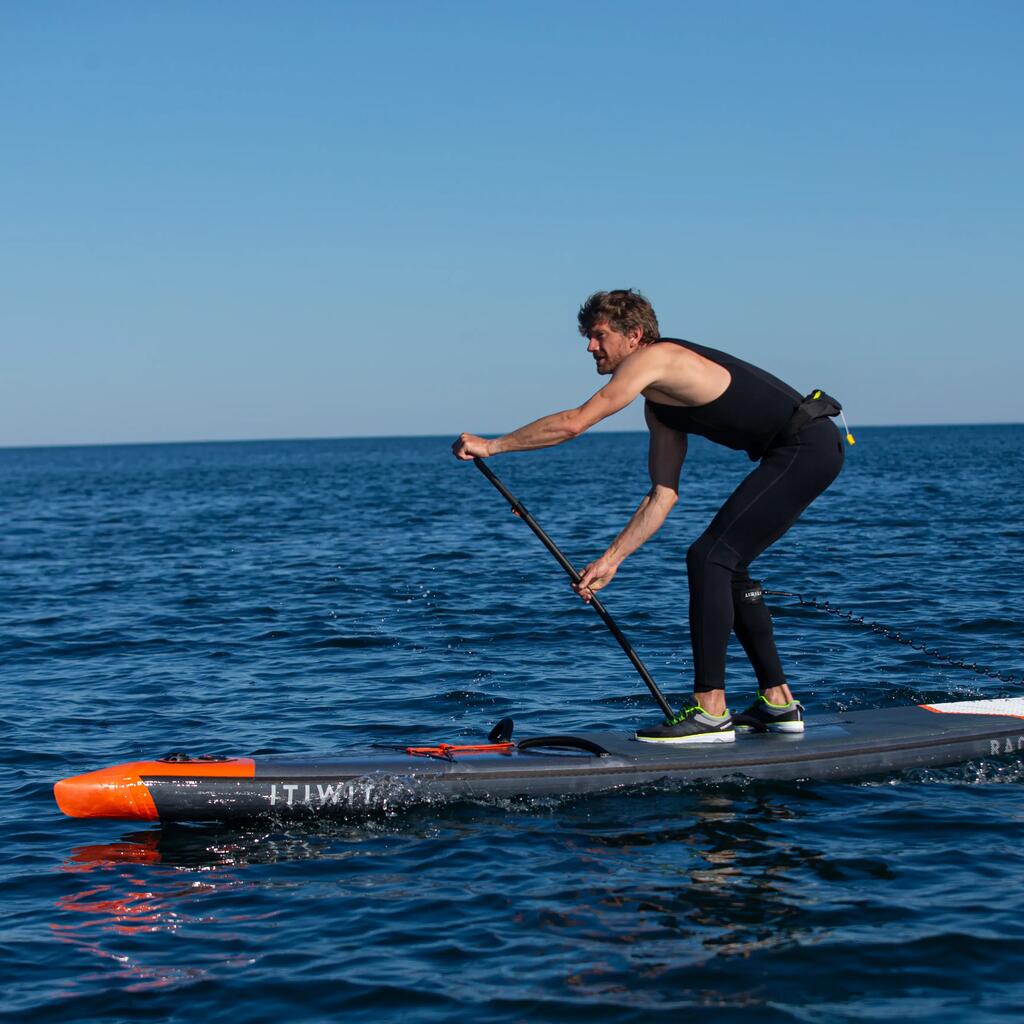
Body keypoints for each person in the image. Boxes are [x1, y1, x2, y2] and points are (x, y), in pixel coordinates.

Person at [452, 290, 847, 744]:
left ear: (634, 335)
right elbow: (663, 494)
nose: (589, 347)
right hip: (803, 451)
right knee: (726, 565)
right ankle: (778, 704)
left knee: (709, 559)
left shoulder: (655, 359)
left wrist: (493, 445)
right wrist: (611, 560)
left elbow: (576, 422)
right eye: (587, 337)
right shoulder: (660, 406)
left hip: (808, 447)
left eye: (598, 336)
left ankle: (711, 711)